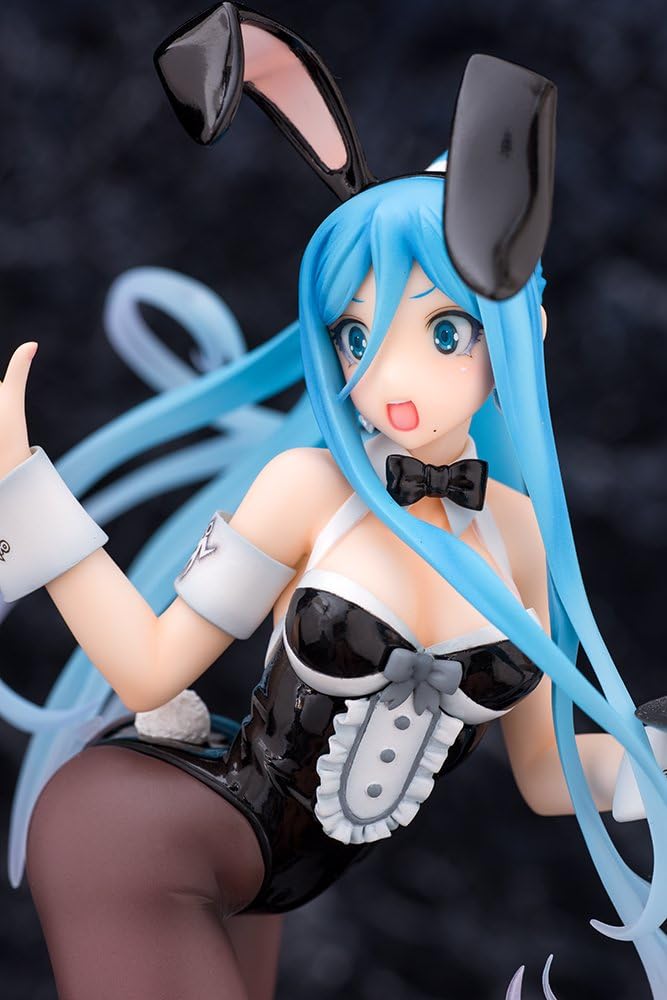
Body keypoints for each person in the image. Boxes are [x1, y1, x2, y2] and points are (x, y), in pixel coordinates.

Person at [0, 4, 665, 998]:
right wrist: (21, 489)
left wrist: (653, 758)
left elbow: (544, 777)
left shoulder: (519, 535)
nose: (385, 377)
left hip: (268, 882)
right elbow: (145, 667)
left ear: (511, 337)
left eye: (440, 331)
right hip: (149, 835)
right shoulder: (310, 491)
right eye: (356, 335)